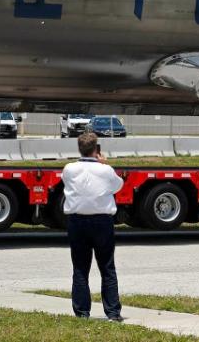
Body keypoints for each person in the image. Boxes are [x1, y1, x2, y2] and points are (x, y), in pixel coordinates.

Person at [62, 132, 125, 320]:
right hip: (101, 221)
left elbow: (67, 183)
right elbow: (118, 185)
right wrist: (104, 164)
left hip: (77, 220)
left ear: (79, 148)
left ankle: (82, 312)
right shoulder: (105, 170)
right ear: (96, 150)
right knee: (107, 267)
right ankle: (113, 312)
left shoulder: (69, 169)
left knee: (80, 268)